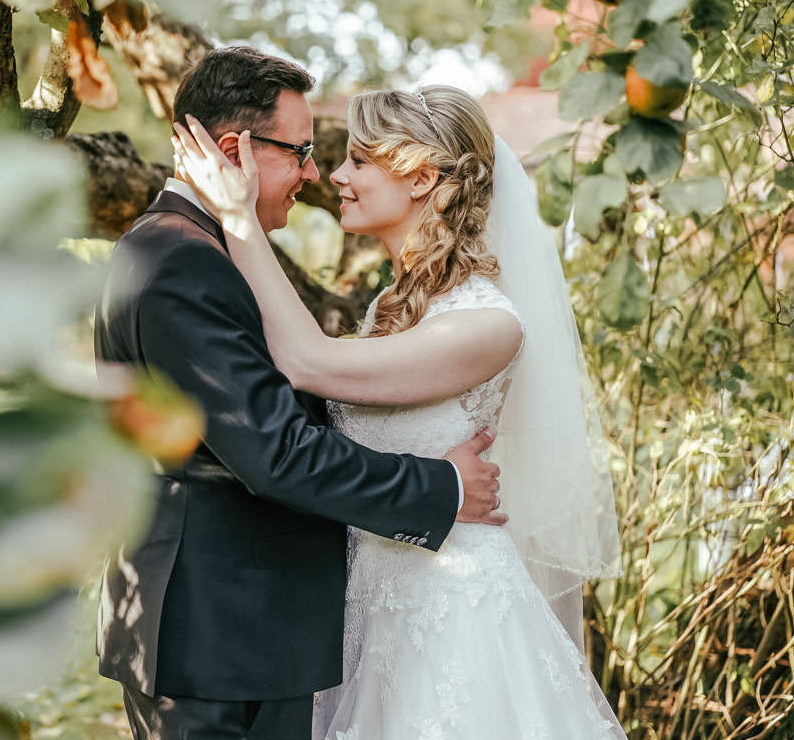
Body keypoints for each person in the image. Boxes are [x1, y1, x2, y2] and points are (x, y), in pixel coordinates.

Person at [172, 83, 626, 738]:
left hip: (451, 613)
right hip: (366, 610)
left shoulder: (487, 323)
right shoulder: (387, 310)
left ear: (420, 178)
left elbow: (309, 364)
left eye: (359, 160)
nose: (336, 176)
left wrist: (239, 219)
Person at [93, 48, 507, 740]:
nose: (318, 174)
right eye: (303, 152)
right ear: (235, 151)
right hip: (222, 642)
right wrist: (443, 488)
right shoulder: (186, 264)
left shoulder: (183, 250)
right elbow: (275, 453)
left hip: (243, 636)